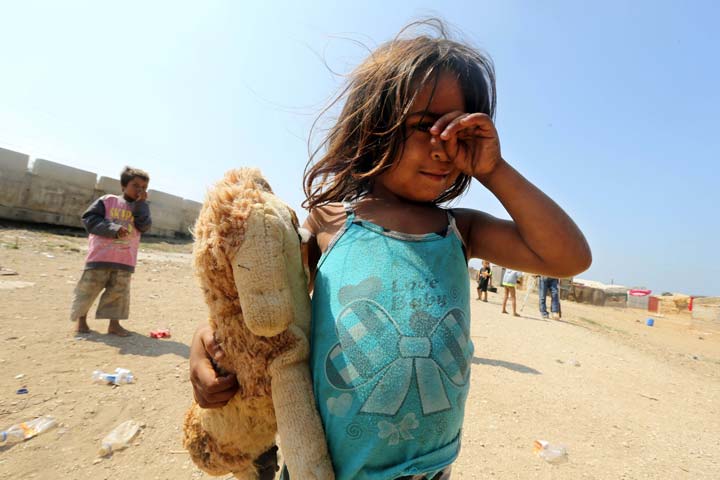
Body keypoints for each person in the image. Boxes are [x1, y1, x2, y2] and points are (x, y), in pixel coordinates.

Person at [189, 19, 591, 480]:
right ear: (375, 126)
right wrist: (204, 345)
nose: (444, 148)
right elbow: (265, 302)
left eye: (458, 133)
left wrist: (493, 169)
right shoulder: (331, 223)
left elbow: (568, 257)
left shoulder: (462, 230)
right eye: (426, 127)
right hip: (327, 468)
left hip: (430, 471)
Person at [69, 166, 151, 336]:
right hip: (100, 257)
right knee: (88, 291)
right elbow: (89, 219)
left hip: (124, 259)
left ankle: (114, 325)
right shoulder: (107, 201)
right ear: (123, 186)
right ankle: (81, 321)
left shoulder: (141, 207)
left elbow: (144, 226)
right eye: (135, 185)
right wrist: (113, 228)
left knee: (118, 294)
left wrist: (141, 205)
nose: (139, 190)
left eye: (143, 187)